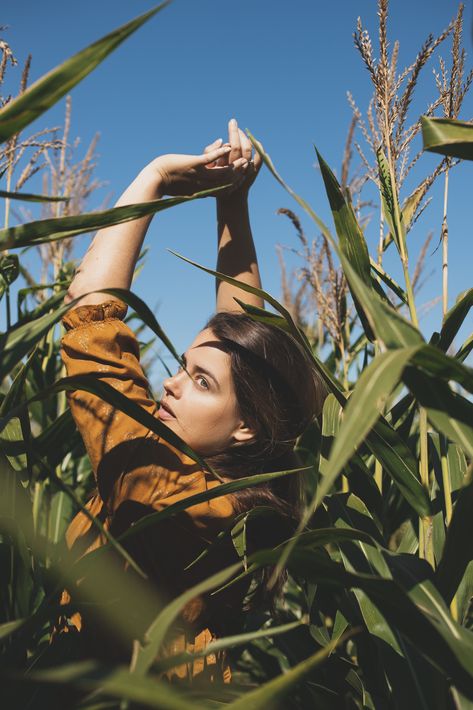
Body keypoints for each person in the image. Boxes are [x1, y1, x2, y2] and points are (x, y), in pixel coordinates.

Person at [58, 119, 324, 683]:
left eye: (200, 382)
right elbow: (243, 343)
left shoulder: (163, 493)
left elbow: (90, 316)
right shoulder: (244, 493)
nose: (173, 384)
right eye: (182, 367)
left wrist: (152, 177)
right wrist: (232, 204)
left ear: (247, 426)